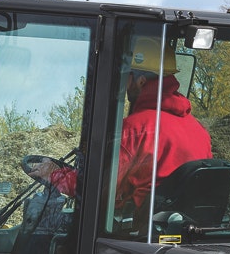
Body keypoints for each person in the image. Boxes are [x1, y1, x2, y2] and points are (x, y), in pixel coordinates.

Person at [27, 71, 211, 209]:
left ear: (140, 80)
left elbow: (96, 191)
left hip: (134, 236)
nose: (123, 83)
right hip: (175, 231)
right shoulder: (199, 131)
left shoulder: (134, 131)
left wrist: (54, 174)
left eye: (127, 76)